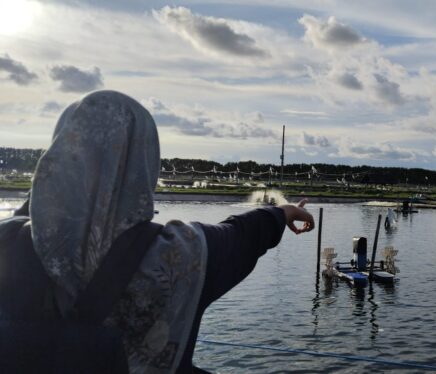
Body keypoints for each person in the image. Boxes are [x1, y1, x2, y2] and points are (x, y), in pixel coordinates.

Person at [0, 90, 315, 373]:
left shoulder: (6, 242)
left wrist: (50, 189)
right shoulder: (179, 254)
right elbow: (241, 235)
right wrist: (283, 212)